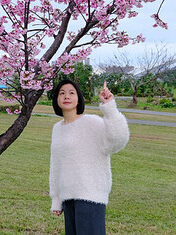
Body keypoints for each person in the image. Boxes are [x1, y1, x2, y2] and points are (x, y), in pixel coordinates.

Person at [49, 79, 129, 235]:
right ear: (56, 99)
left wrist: (109, 107)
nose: (67, 96)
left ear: (78, 98)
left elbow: (118, 140)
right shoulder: (57, 129)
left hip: (90, 196)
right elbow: (56, 165)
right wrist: (56, 199)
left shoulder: (91, 122)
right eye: (62, 93)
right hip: (68, 198)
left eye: (71, 93)